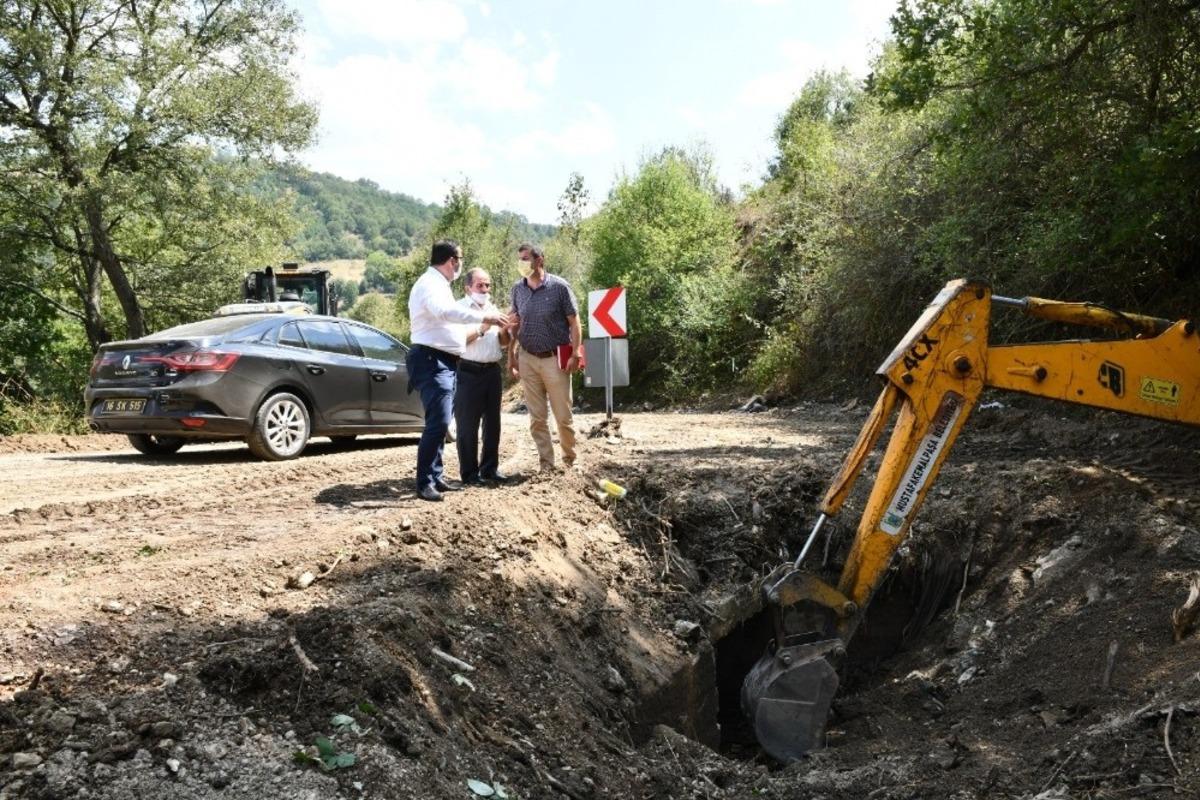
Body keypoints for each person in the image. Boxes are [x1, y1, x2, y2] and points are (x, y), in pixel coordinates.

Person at [408, 240, 509, 502]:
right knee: (439, 422)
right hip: (431, 359)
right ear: (452, 261)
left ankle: (436, 476)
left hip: (444, 361)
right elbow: (444, 312)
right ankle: (424, 482)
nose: (460, 265)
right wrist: (484, 318)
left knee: (443, 422)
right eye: (460, 260)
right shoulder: (430, 284)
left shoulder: (439, 285)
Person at [507, 243, 582, 472]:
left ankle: (570, 460)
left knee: (563, 416)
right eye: (520, 258)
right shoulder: (517, 289)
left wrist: (576, 352)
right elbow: (515, 324)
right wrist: (511, 355)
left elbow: (574, 322)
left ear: (540, 260)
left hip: (554, 359)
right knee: (537, 418)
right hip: (527, 358)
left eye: (526, 258)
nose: (522, 263)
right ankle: (546, 465)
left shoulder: (559, 287)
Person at [455, 267, 510, 485]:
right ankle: (469, 474)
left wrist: (506, 330)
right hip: (468, 371)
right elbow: (458, 341)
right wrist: (483, 327)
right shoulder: (458, 309)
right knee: (467, 425)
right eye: (480, 285)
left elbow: (502, 343)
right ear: (467, 287)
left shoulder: (493, 308)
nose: (485, 289)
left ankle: (489, 469)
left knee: (493, 424)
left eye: (488, 285)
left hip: (492, 371)